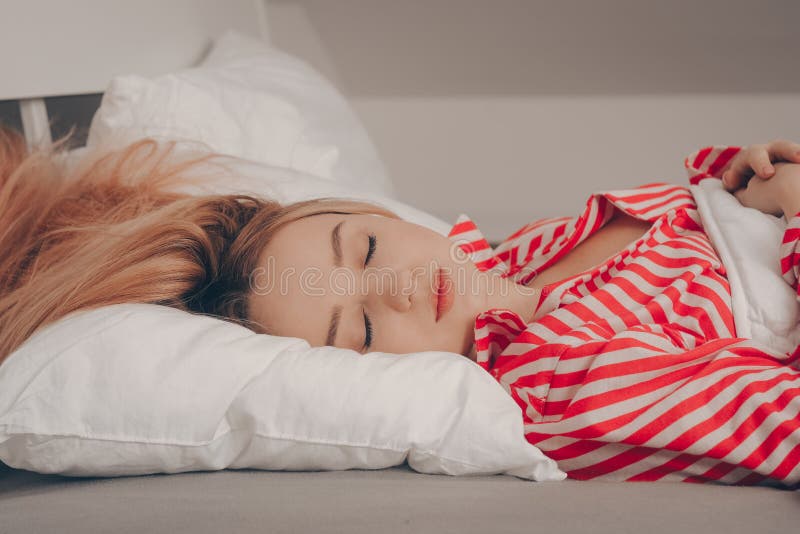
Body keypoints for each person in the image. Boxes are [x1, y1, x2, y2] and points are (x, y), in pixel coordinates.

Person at [1, 124, 800, 485]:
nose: (399, 285)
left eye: (370, 250)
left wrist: (743, 173)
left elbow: (698, 217)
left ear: (382, 216)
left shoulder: (522, 251)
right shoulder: (565, 385)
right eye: (366, 327)